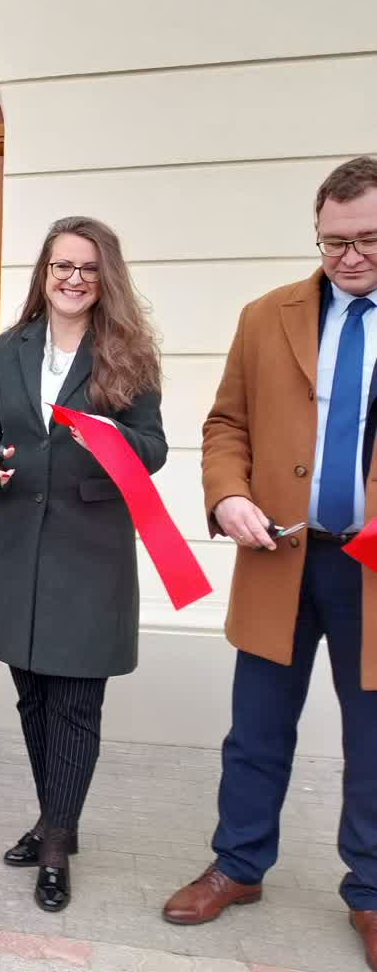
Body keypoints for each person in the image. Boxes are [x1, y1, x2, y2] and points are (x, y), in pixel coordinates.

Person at [162, 156, 377, 971]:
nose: (348, 258)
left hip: (372, 569)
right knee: (254, 731)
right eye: (332, 243)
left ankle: (369, 891)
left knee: (372, 739)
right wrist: (225, 497)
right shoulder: (267, 315)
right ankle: (238, 865)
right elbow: (226, 425)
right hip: (278, 558)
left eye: (365, 241)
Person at [0, 216, 166, 912]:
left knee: (75, 704)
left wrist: (108, 437)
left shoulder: (127, 353)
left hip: (89, 553)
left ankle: (54, 843)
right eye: (60, 267)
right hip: (17, 548)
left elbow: (153, 447)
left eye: (85, 267)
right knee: (32, 697)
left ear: (105, 275)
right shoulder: (9, 347)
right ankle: (57, 818)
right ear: (43, 275)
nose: (72, 278)